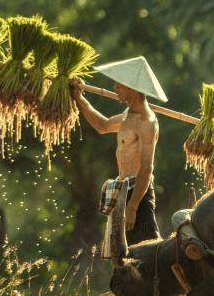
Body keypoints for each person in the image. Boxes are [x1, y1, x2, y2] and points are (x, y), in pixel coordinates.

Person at [69, 55, 167, 246]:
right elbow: (103, 125)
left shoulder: (147, 122)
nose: (114, 88)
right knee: (122, 255)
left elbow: (146, 169)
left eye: (118, 84)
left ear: (131, 87)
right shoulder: (127, 115)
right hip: (122, 192)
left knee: (146, 251)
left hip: (138, 195)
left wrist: (133, 206)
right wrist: (79, 98)